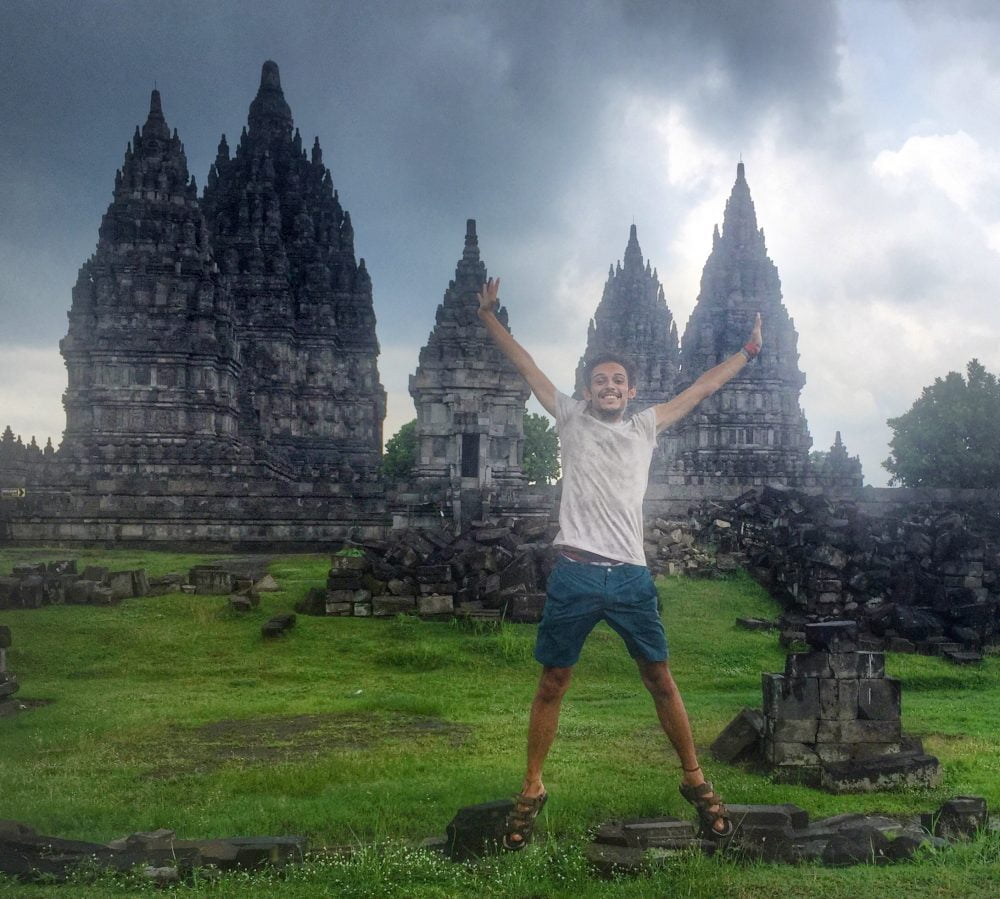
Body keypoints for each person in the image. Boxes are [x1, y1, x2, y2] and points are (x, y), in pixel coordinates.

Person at [475, 276, 763, 849]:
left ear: (632, 391)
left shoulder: (646, 426)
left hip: (629, 574)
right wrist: (488, 317)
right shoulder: (569, 418)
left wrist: (748, 352)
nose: (609, 386)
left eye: (618, 381)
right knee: (553, 681)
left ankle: (694, 778)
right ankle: (532, 786)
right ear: (586, 390)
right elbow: (528, 367)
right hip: (576, 571)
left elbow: (701, 388)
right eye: (600, 380)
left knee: (660, 678)